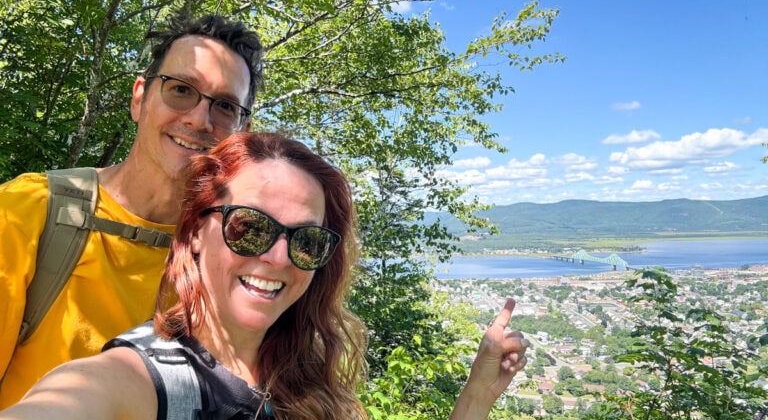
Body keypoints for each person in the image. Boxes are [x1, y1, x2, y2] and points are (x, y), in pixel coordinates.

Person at [0, 132, 529, 419]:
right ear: (193, 234)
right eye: (250, 228)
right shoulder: (130, 382)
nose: (278, 257)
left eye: (307, 240)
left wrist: (477, 395)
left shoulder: (312, 383)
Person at [0, 13, 264, 407]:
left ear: (241, 132)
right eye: (180, 89)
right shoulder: (30, 211)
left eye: (225, 106)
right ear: (139, 96)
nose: (199, 118)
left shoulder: (231, 257)